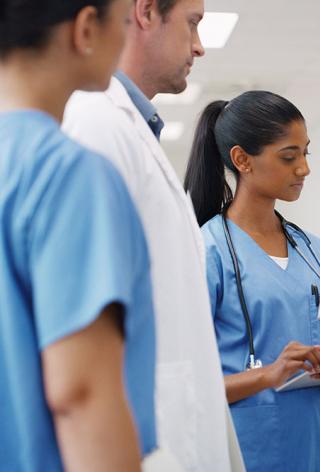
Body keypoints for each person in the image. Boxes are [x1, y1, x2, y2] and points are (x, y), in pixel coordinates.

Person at [61, 1, 242, 470]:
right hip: (146, 439)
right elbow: (86, 334)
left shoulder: (132, 130)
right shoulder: (97, 125)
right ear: (145, 12)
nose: (199, 46)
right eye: (192, 24)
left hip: (174, 425)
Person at [184, 90, 320, 472]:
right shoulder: (206, 251)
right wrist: (267, 374)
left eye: (306, 153)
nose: (304, 169)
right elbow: (188, 387)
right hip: (247, 454)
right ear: (242, 159)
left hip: (318, 453)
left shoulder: (314, 251)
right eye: (289, 157)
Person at [0, 0, 157, 470]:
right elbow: (80, 393)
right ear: (86, 28)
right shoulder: (65, 172)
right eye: (124, 22)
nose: (127, 37)